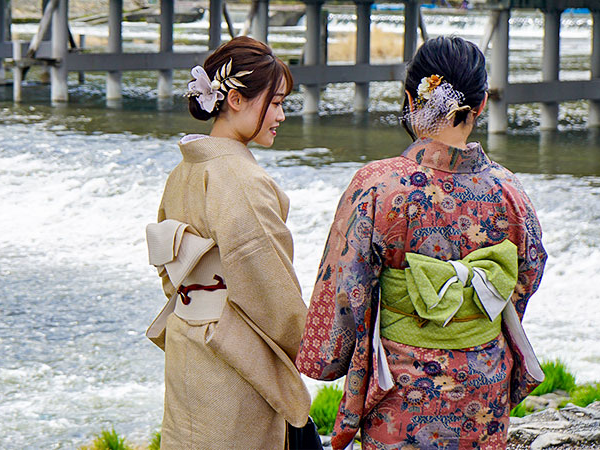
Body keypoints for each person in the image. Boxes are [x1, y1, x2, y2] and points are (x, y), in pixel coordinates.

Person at [295, 36, 548, 449]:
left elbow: (347, 287)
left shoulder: (377, 186)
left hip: (401, 388)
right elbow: (527, 273)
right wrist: (471, 314)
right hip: (483, 382)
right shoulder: (510, 192)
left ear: (411, 98)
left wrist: (332, 356)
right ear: (481, 105)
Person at [147, 36, 311, 449]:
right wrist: (307, 347)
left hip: (187, 341)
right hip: (232, 356)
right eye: (274, 103)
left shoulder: (182, 171)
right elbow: (270, 290)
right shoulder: (242, 180)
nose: (282, 115)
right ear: (235, 99)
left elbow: (170, 274)